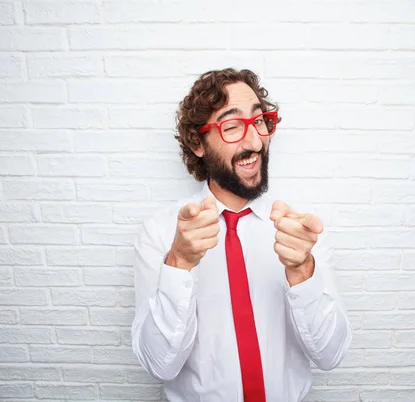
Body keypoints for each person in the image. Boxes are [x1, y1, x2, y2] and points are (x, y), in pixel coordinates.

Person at [131, 68, 352, 402]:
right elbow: (159, 366)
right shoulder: (160, 233)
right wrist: (179, 263)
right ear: (198, 143)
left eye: (260, 121)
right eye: (232, 126)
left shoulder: (301, 231)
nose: (254, 142)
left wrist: (302, 271)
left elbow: (330, 356)